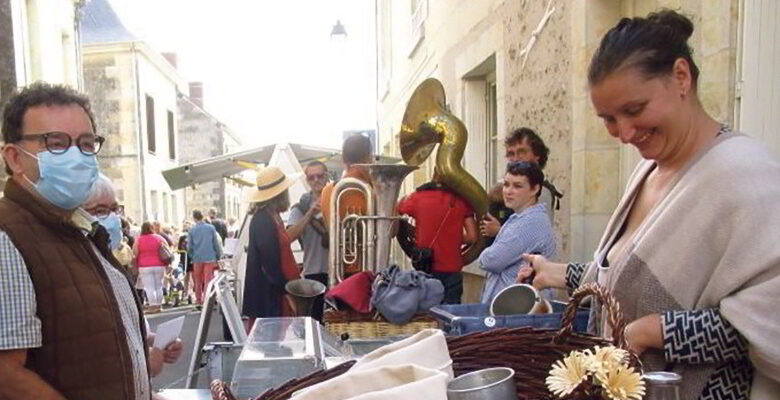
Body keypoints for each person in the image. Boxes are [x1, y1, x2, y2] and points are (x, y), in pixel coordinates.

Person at [517, 10, 780, 399]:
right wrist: (554, 273)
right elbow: (622, 279)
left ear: (681, 77)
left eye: (635, 110)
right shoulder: (646, 172)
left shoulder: (748, 177)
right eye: (608, 119)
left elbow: (769, 321)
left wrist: (658, 331)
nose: (623, 132)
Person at [0, 82, 162, 399]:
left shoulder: (78, 230)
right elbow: (6, 375)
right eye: (56, 143)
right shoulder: (8, 235)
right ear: (15, 158)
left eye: (86, 144)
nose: (76, 156)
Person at [82, 174, 182, 379]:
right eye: (100, 211)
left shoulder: (109, 262)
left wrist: (157, 342)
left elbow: (127, 331)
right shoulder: (82, 268)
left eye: (115, 210)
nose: (112, 218)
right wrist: (145, 364)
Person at [479, 161, 555, 304]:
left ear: (534, 189)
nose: (508, 191)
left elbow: (491, 261)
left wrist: (484, 254)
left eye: (517, 186)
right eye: (506, 184)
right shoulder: (520, 218)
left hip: (519, 309)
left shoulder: (531, 222)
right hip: (513, 306)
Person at [397, 172, 479, 304]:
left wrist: (413, 230)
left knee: (426, 316)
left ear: (434, 175)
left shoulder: (417, 197)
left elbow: (397, 210)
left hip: (425, 267)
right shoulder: (461, 201)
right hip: (452, 270)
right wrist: (452, 236)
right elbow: (472, 237)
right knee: (449, 316)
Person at [243, 166, 302, 331]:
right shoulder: (263, 220)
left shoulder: (272, 216)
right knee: (270, 346)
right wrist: (287, 293)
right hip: (269, 298)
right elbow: (270, 265)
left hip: (274, 294)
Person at [480, 127, 562, 238]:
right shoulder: (505, 183)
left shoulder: (542, 192)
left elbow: (534, 236)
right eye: (511, 154)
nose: (515, 159)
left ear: (537, 155)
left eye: (521, 152)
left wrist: (499, 230)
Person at [320, 133, 374, 276]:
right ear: (368, 157)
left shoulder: (327, 191)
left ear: (344, 159)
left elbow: (330, 230)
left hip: (339, 273)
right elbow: (391, 231)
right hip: (369, 271)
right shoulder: (373, 191)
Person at [287, 160, 330, 321]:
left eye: (319, 176)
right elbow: (289, 237)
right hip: (314, 271)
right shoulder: (301, 206)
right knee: (316, 321)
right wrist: (310, 213)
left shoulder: (338, 198)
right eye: (311, 177)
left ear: (327, 177)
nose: (316, 180)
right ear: (307, 180)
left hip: (341, 271)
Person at [187, 209, 223, 306]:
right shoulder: (210, 228)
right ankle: (207, 299)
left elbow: (189, 246)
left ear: (194, 218)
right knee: (208, 279)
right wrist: (218, 255)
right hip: (210, 256)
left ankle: (198, 300)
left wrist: (191, 255)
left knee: (197, 279)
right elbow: (215, 243)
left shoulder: (192, 230)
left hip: (197, 257)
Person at [134, 221, 169, 313]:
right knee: (159, 286)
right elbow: (167, 249)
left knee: (149, 287)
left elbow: (135, 253)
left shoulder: (139, 239)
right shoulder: (159, 238)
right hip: (159, 265)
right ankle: (159, 305)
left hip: (144, 266)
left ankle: (152, 306)